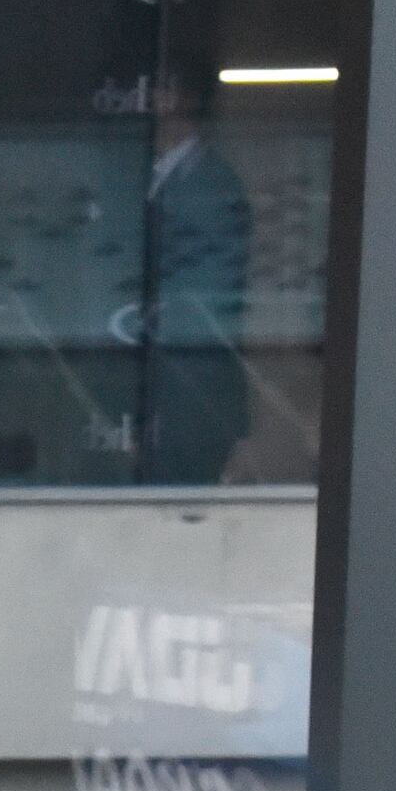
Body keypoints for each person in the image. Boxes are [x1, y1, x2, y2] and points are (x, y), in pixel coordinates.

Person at [139, 71, 250, 484]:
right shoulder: (154, 175)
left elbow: (210, 293)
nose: (147, 103)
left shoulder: (213, 185)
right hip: (166, 374)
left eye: (158, 91)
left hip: (191, 376)